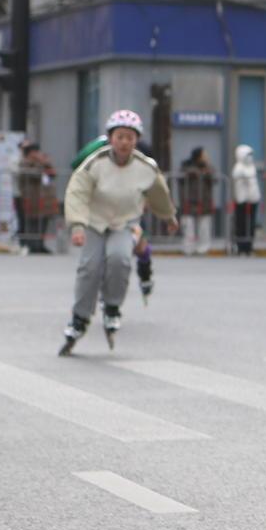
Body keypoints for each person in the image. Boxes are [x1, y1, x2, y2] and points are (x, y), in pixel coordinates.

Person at [60, 111, 178, 354]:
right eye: (120, 136)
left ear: (137, 140)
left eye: (130, 137)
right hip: (94, 222)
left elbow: (159, 194)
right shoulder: (95, 163)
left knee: (120, 258)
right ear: (111, 138)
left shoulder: (145, 167)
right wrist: (78, 225)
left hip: (125, 222)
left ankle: (112, 307)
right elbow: (77, 193)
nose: (125, 142)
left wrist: (168, 216)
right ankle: (79, 318)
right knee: (90, 267)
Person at [15, 140, 55, 254]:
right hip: (30, 197)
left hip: (43, 197)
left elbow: (52, 174)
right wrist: (41, 163)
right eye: (35, 152)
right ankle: (31, 245)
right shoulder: (24, 163)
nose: (37, 154)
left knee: (43, 221)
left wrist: (46, 163)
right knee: (31, 221)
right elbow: (35, 175)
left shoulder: (40, 163)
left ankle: (40, 244)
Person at [179, 148, 217, 256]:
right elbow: (181, 177)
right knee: (188, 226)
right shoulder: (186, 166)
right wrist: (194, 173)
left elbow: (214, 179)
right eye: (204, 155)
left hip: (204, 201)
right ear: (198, 156)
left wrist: (207, 171)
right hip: (189, 201)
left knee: (204, 226)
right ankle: (188, 248)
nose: (207, 157)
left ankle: (203, 248)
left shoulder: (208, 167)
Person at [230, 144, 262, 255]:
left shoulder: (251, 167)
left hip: (253, 199)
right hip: (242, 200)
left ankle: (249, 246)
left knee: (251, 224)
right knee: (241, 224)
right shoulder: (239, 168)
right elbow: (238, 179)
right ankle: (241, 247)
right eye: (248, 155)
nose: (250, 157)